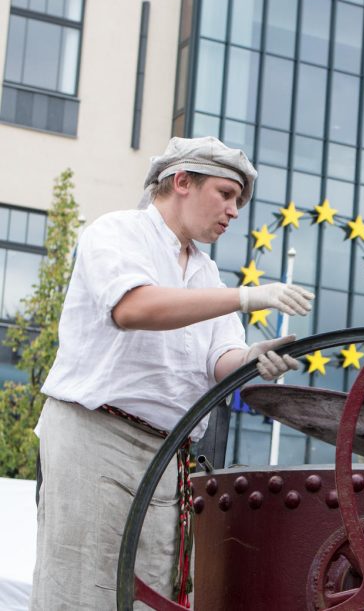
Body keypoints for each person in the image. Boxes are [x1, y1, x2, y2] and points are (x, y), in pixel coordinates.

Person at [30, 137, 314, 610]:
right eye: (225, 194)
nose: (234, 211)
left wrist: (254, 357)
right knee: (82, 591)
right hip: (95, 438)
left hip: (168, 454)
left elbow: (221, 360)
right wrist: (248, 296)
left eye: (239, 200)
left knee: (155, 595)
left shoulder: (207, 277)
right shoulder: (117, 232)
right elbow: (133, 307)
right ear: (182, 181)